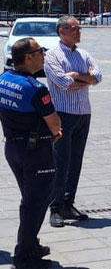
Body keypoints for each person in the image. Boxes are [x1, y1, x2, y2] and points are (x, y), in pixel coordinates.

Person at [1, 38, 63, 269]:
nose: (44, 54)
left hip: (13, 149)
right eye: (40, 51)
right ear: (28, 57)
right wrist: (56, 131)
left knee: (30, 199)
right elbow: (54, 124)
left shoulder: (4, 79)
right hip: (36, 152)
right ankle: (25, 253)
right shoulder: (36, 89)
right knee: (35, 203)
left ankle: (30, 244)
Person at [43, 16, 100, 228]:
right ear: (62, 32)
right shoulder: (52, 56)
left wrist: (78, 75)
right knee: (60, 161)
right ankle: (55, 207)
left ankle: (68, 203)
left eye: (79, 28)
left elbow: (98, 76)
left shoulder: (83, 54)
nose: (79, 32)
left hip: (83, 113)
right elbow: (61, 82)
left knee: (76, 160)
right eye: (75, 29)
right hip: (63, 114)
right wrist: (86, 80)